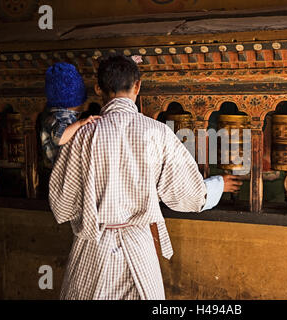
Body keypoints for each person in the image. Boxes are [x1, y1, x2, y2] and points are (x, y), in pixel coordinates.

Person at [48, 54, 242, 300]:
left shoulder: (83, 135)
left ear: (98, 88)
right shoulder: (157, 132)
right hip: (139, 246)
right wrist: (217, 186)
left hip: (93, 249)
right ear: (138, 86)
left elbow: (62, 204)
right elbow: (188, 194)